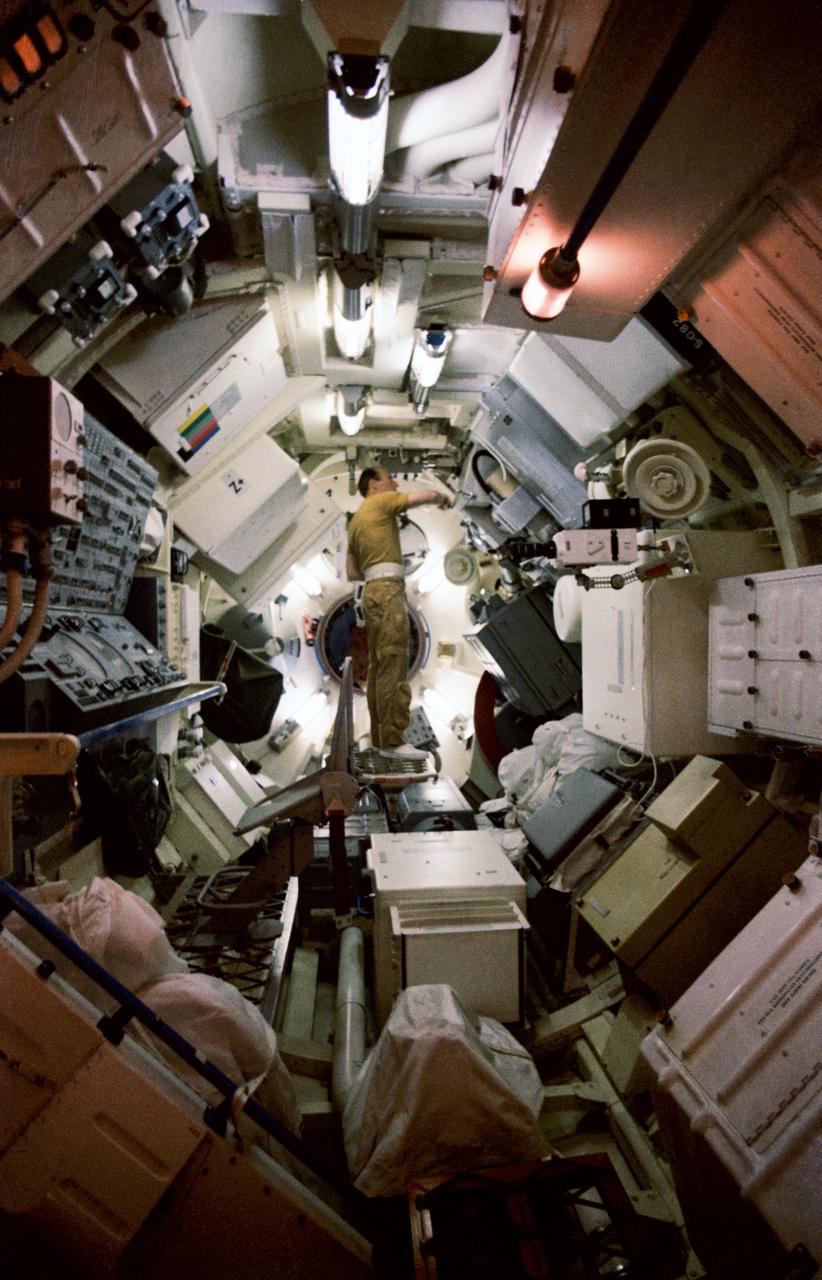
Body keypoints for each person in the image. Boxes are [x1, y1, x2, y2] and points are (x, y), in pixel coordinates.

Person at [347, 467, 452, 757]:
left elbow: (352, 572)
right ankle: (393, 742)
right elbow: (427, 496)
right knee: (394, 662)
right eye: (389, 479)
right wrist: (443, 498)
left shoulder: (355, 522)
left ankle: (382, 739)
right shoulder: (380, 502)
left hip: (371, 592)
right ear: (373, 485)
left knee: (381, 668)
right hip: (387, 588)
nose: (394, 483)